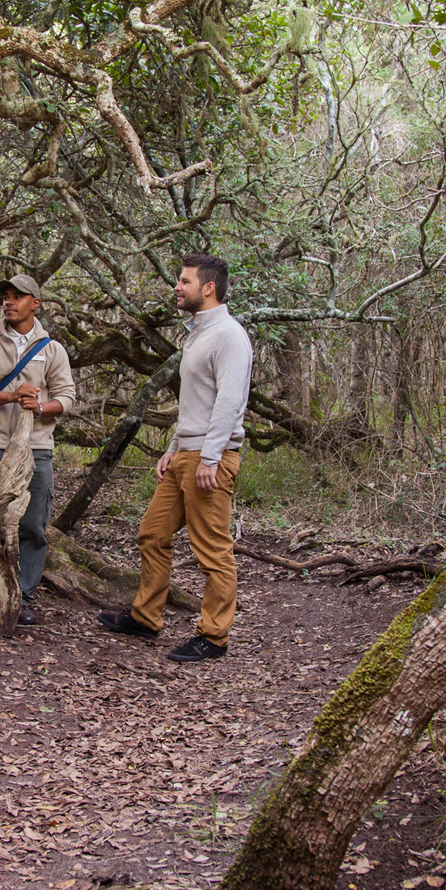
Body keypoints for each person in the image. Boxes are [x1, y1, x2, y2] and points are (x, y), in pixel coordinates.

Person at [97, 253, 252, 662]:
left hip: (209, 458)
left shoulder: (230, 336)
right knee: (152, 533)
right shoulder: (197, 334)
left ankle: (214, 637)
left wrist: (211, 458)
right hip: (187, 453)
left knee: (212, 550)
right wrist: (173, 449)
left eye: (184, 281)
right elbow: (194, 404)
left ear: (208, 287)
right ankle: (146, 617)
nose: (177, 288)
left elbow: (229, 402)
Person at [0, 274, 78, 629]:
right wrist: (11, 396)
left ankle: (21, 597)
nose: (8, 302)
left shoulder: (52, 349)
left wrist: (39, 407)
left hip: (36, 447)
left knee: (33, 524)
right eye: (5, 296)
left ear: (35, 304)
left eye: (17, 297)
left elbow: (67, 397)